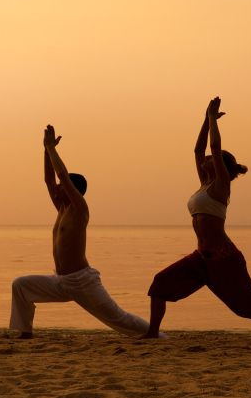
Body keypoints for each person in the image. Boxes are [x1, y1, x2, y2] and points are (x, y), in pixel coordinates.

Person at [142, 97, 251, 339]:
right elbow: (198, 150)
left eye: (211, 159)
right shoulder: (204, 184)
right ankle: (152, 333)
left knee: (249, 304)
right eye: (207, 159)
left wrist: (213, 119)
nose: (206, 159)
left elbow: (215, 149)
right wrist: (204, 120)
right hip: (201, 258)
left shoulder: (220, 186)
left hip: (224, 258)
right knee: (160, 284)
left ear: (221, 166)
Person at [9, 125, 151, 338]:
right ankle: (25, 333)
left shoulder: (79, 208)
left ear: (71, 190)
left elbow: (62, 175)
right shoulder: (62, 209)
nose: (56, 188)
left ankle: (155, 334)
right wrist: (45, 150)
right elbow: (49, 180)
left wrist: (53, 149)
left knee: (119, 318)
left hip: (82, 281)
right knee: (21, 285)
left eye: (61, 186)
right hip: (61, 281)